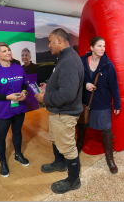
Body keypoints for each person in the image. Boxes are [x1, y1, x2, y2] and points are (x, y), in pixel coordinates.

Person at [34, 28, 84, 194]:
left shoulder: (69, 61)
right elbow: (64, 86)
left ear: (59, 40)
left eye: (50, 41)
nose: (48, 45)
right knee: (55, 139)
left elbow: (68, 94)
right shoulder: (64, 58)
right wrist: (49, 88)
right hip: (59, 112)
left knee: (68, 147)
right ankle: (59, 163)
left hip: (65, 113)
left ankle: (73, 180)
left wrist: (44, 98)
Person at [0, 42, 29, 178]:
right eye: (4, 51)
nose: (8, 52)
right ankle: (3, 162)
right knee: (1, 137)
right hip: (3, 110)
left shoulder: (18, 68)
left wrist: (24, 93)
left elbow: (24, 85)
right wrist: (7, 97)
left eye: (8, 50)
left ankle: (18, 155)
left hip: (19, 108)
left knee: (17, 132)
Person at [77, 36, 121, 174]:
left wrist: (117, 105)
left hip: (102, 103)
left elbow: (114, 87)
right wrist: (85, 85)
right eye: (99, 46)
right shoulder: (82, 61)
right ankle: (77, 149)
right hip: (84, 102)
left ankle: (110, 158)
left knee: (106, 129)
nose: (102, 49)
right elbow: (75, 79)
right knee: (82, 125)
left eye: (104, 46)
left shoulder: (108, 64)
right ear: (91, 47)